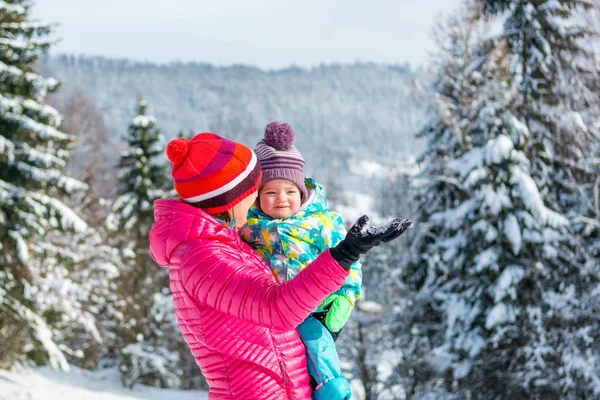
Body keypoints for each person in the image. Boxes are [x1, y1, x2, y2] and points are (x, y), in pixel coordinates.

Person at [148, 131, 412, 400]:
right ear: (230, 199)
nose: (255, 202)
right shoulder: (203, 257)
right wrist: (343, 256)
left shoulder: (227, 241)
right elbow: (276, 308)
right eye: (253, 192)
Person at [240, 121, 361, 400]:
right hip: (274, 309)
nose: (281, 199)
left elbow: (349, 260)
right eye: (271, 192)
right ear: (258, 196)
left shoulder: (320, 221)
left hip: (317, 306)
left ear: (302, 193)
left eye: (290, 191)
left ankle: (332, 388)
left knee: (316, 342)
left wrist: (346, 297)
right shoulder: (250, 225)